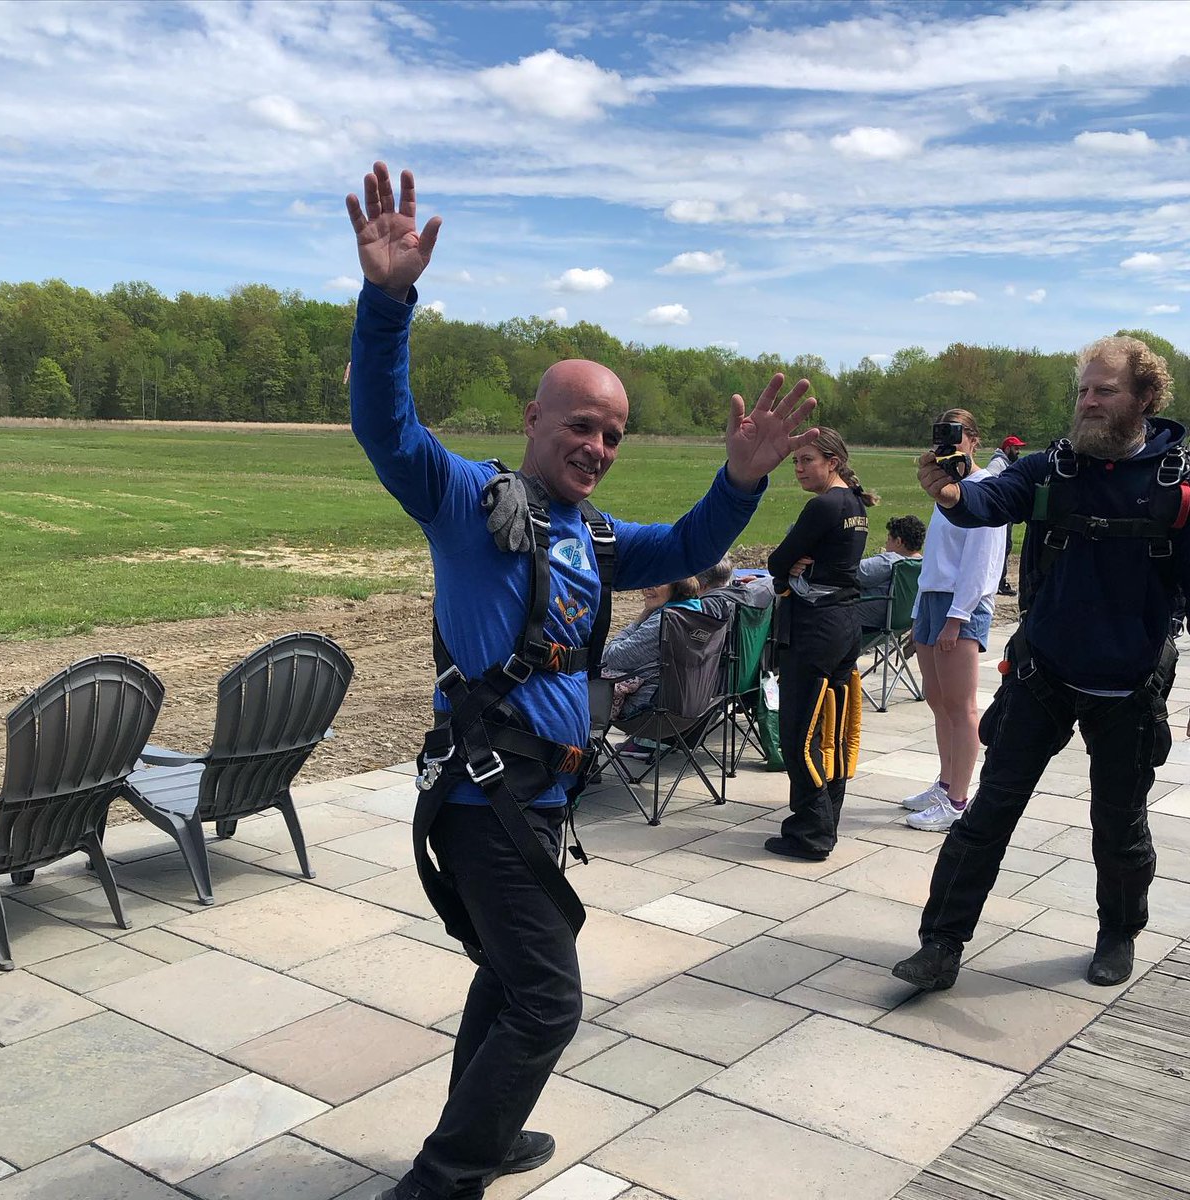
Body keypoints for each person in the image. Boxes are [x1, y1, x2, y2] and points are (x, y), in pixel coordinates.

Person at [346, 164, 821, 1200]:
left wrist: (740, 477)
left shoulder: (592, 535)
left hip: (541, 794)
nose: (598, 445)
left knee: (514, 973)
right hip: (485, 793)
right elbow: (388, 430)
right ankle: (444, 1177)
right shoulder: (470, 500)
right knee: (548, 1000)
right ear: (534, 417)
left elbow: (692, 540)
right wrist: (388, 306)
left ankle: (484, 1128)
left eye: (613, 432)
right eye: (581, 425)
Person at [893, 336, 1187, 993]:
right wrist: (948, 494)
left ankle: (1118, 934)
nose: (1086, 402)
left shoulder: (1176, 483)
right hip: (1043, 673)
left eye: (1104, 391)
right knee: (989, 811)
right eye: (1082, 390)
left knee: (1120, 826)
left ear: (1144, 398)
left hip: (1127, 687)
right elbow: (988, 503)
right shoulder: (1055, 467)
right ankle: (940, 944)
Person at [764, 429, 878, 861]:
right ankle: (826, 817)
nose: (798, 469)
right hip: (847, 621)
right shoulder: (854, 504)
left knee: (801, 730)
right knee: (835, 726)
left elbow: (777, 561)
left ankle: (810, 833)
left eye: (806, 460)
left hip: (817, 627)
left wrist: (786, 567)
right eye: (795, 461)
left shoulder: (825, 504)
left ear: (832, 461)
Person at [899, 410, 1004, 833]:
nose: (949, 443)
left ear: (974, 440)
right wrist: (918, 611)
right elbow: (938, 554)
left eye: (956, 436)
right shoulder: (945, 489)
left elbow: (982, 562)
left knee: (961, 705)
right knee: (937, 700)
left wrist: (957, 618)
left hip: (961, 603)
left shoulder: (984, 490)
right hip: (932, 598)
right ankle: (945, 784)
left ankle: (958, 798)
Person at [602, 576, 702, 758]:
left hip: (651, 710)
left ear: (677, 585)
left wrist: (639, 620)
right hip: (693, 707)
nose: (647, 588)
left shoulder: (665, 620)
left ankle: (585, 762)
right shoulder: (698, 614)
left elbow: (613, 656)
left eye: (657, 582)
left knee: (585, 686)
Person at [853, 515, 927, 631]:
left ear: (898, 542)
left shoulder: (891, 561)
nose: (886, 544)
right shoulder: (923, 564)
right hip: (904, 623)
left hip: (870, 622)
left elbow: (853, 572)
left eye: (888, 540)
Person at [986, 435, 1026, 595]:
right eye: (1016, 449)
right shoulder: (998, 463)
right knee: (1003, 546)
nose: (1018, 452)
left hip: (1003, 511)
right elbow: (988, 481)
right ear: (1007, 449)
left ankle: (999, 582)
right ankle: (999, 584)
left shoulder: (1005, 462)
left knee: (1005, 546)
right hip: (999, 512)